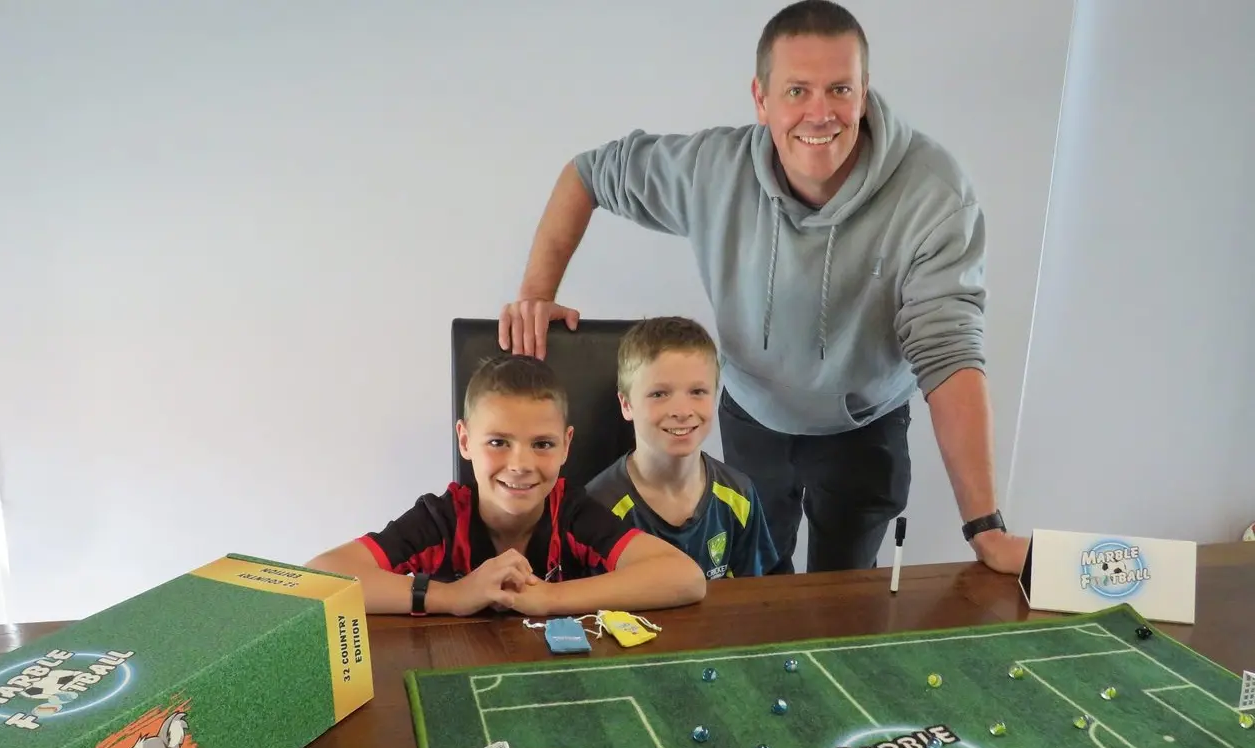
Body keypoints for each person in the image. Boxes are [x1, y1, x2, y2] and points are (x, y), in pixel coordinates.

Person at [496, 0, 1030, 576]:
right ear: (762, 98)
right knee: (753, 590)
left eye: (840, 90)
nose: (820, 113)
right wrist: (535, 292)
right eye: (797, 91)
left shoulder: (934, 194)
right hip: (753, 417)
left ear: (865, 91)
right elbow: (589, 173)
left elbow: (950, 356)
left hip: (863, 426)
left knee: (844, 598)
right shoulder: (712, 170)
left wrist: (985, 527)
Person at [305, 355, 707, 616]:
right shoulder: (440, 519)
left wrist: (550, 598)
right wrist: (451, 596)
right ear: (465, 441)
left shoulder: (573, 513)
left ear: (566, 445)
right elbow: (320, 576)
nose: (520, 465)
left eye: (542, 445)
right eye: (498, 442)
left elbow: (684, 576)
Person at [586, 316, 779, 579]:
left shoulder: (739, 495)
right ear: (626, 404)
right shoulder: (598, 508)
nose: (681, 411)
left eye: (698, 391)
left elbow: (753, 598)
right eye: (659, 394)